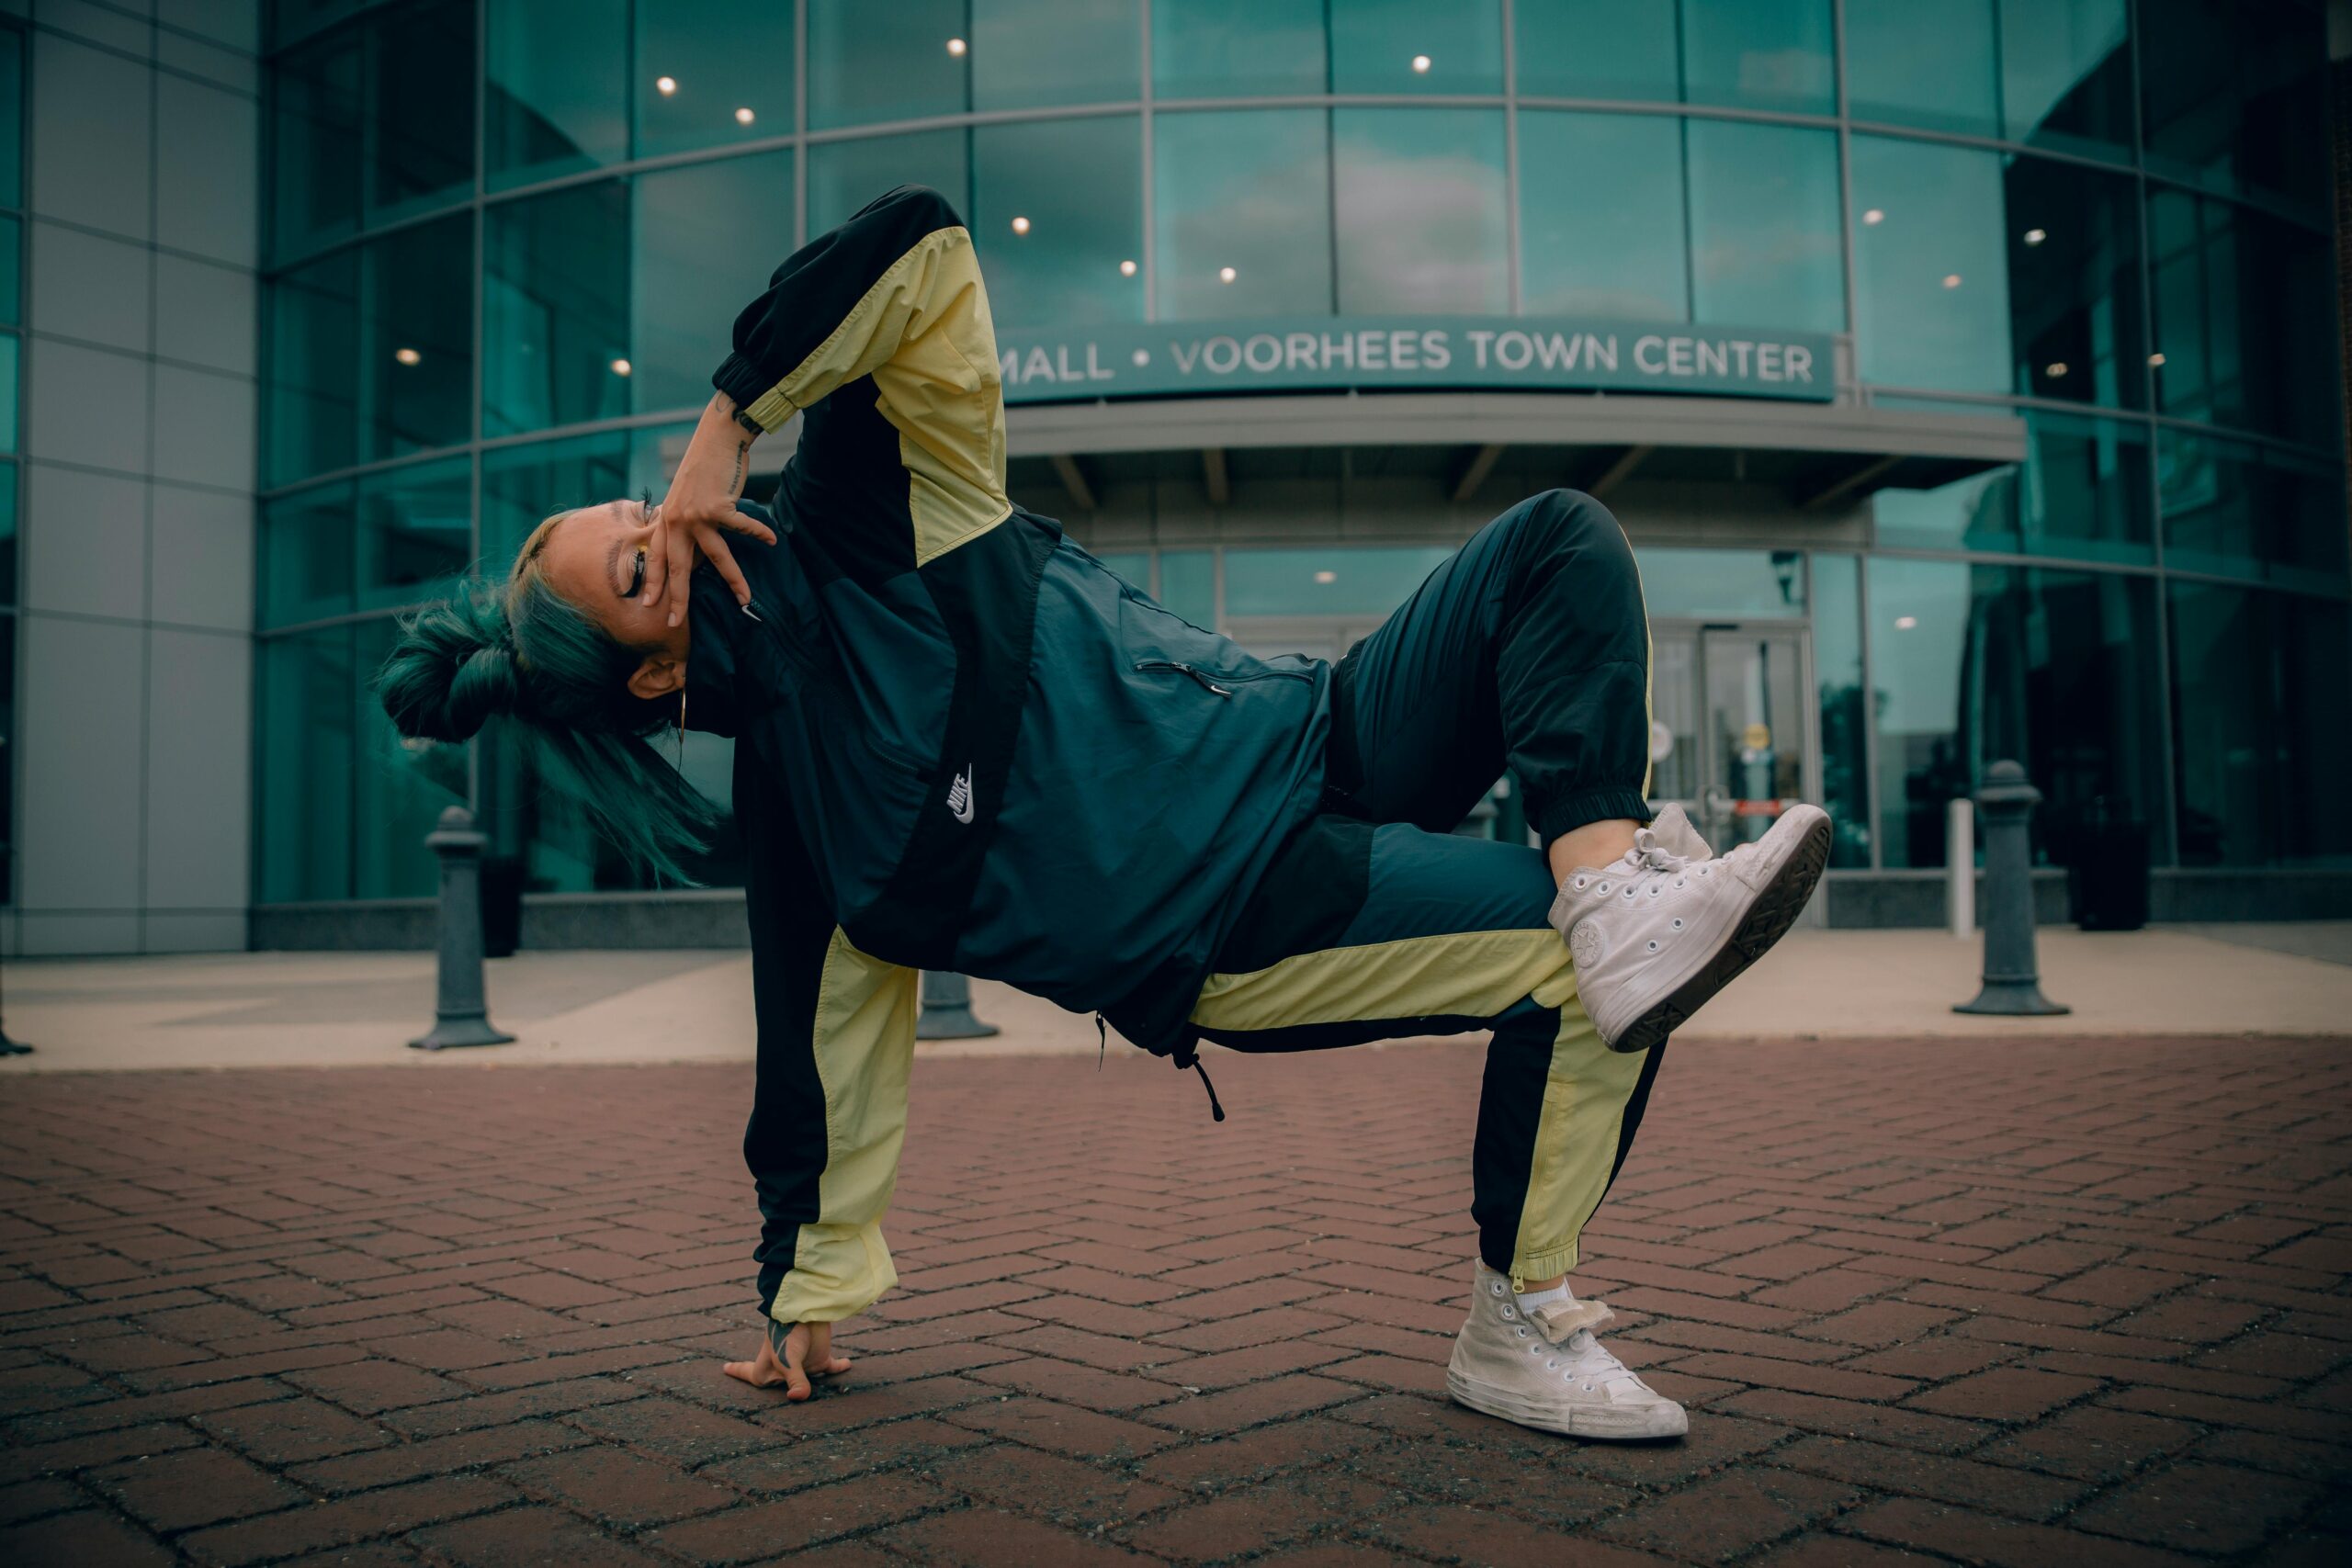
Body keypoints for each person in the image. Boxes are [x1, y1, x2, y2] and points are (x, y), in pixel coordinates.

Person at [379, 186, 1831, 1442]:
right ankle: (1516, 1321)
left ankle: (1613, 887)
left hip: (1319, 732)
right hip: (1226, 917)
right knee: (1565, 980)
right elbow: (819, 1063)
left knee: (1553, 544)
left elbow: (922, 246)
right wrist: (803, 1286)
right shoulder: (806, 819)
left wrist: (727, 417)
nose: (663, 529)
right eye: (635, 570)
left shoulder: (880, 510)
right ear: (650, 673)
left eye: (638, 514)